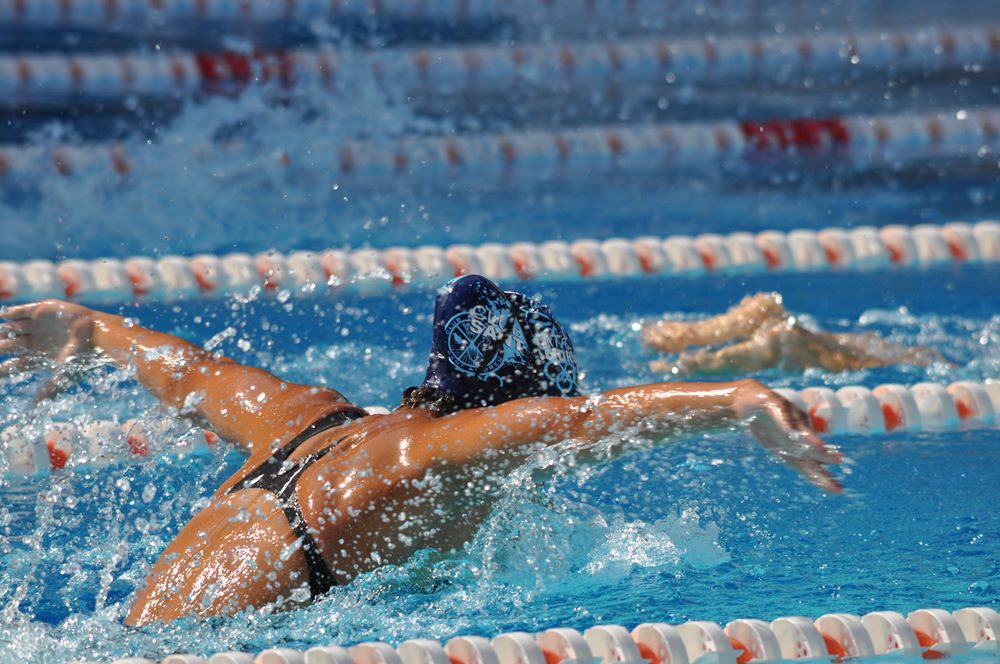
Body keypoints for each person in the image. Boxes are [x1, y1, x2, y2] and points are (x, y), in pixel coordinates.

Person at [0, 275, 842, 626]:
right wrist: (733, 400)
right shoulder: (444, 453)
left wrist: (92, 327)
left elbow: (195, 373)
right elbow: (579, 426)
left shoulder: (314, 415)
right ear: (510, 397)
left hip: (136, 626)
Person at [643, 292, 949, 376]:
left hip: (809, 349)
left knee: (777, 334)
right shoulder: (909, 356)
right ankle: (694, 354)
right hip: (820, 348)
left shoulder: (900, 357)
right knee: (771, 320)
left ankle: (694, 353)